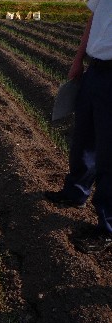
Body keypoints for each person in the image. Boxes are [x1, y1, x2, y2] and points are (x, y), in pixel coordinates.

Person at [44, 0, 112, 253]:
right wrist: (78, 58)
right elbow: (93, 20)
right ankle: (76, 192)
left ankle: (107, 227)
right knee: (84, 138)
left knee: (109, 154)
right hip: (96, 70)